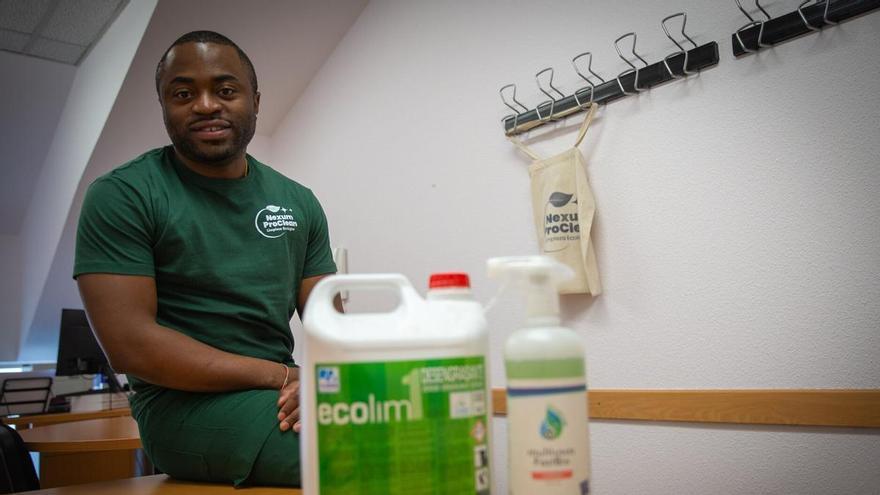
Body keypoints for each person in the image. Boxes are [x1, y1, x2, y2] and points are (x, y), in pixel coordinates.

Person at [74, 31, 338, 487]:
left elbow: (333, 328)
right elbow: (130, 345)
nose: (205, 104)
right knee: (354, 448)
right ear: (163, 106)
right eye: (182, 93)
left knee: (410, 420)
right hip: (181, 406)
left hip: (283, 391)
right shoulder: (123, 195)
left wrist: (328, 381)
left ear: (254, 101)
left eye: (225, 90)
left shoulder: (298, 202)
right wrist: (284, 376)